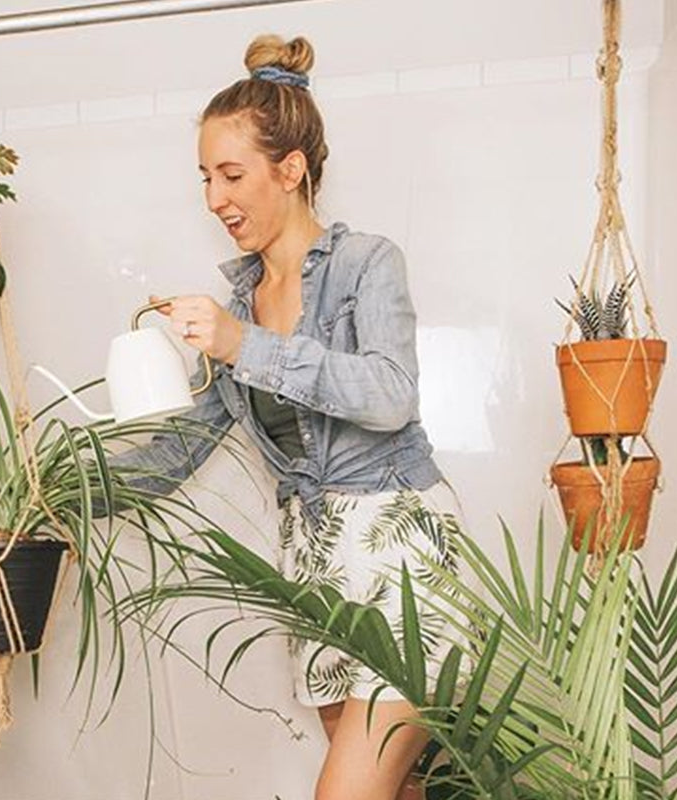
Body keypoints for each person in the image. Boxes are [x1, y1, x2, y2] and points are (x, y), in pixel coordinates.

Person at [109, 33, 465, 800]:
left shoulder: (369, 263)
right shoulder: (238, 302)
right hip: (316, 571)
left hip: (398, 555)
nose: (214, 198)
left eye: (231, 174)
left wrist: (248, 345)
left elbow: (390, 393)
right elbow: (190, 440)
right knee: (399, 793)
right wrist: (66, 490)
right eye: (206, 177)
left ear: (292, 169)